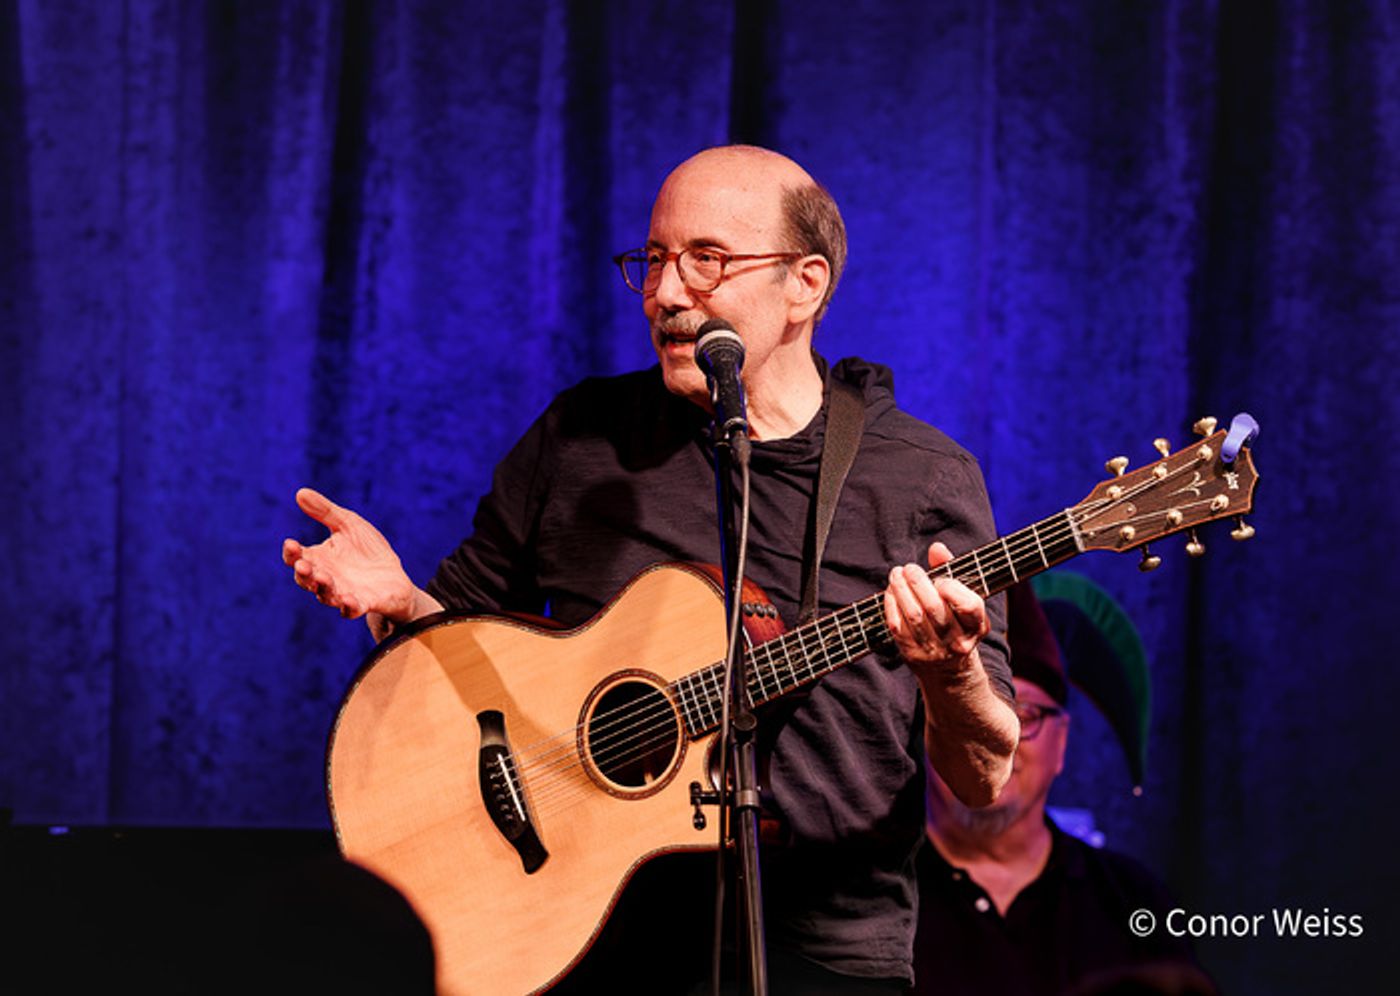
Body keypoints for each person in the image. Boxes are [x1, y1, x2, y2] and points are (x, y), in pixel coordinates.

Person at [284, 145, 1019, 991]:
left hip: (824, 953)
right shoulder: (584, 438)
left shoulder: (920, 479)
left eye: (706, 261)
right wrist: (402, 600)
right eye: (655, 260)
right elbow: (453, 672)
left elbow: (982, 777)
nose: (666, 294)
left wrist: (951, 675)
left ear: (805, 285)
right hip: (583, 935)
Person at [914, 582, 1213, 996]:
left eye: (1026, 715)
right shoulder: (873, 896)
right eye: (967, 717)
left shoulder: (1130, 900)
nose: (999, 742)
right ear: (926, 733)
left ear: (1062, 743)